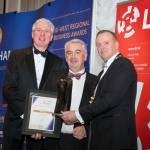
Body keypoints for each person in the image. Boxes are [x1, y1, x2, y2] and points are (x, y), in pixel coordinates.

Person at [62, 30, 137, 150]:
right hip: (102, 137)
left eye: (106, 43)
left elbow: (110, 100)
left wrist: (77, 114)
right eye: (99, 44)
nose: (102, 47)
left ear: (116, 44)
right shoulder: (103, 72)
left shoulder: (123, 64)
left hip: (116, 138)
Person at [2, 18, 64, 150]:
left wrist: (41, 122)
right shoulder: (16, 56)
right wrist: (29, 116)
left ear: (52, 37)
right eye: (39, 30)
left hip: (41, 126)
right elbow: (8, 89)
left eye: (47, 31)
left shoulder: (58, 62)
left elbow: (56, 94)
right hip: (16, 121)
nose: (42, 34)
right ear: (32, 34)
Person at [41, 38, 97, 150]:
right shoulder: (53, 77)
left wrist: (86, 128)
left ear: (85, 56)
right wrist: (37, 127)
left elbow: (100, 113)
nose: (73, 57)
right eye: (69, 53)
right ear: (66, 58)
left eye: (77, 52)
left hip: (79, 142)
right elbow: (43, 103)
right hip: (53, 142)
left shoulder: (95, 82)